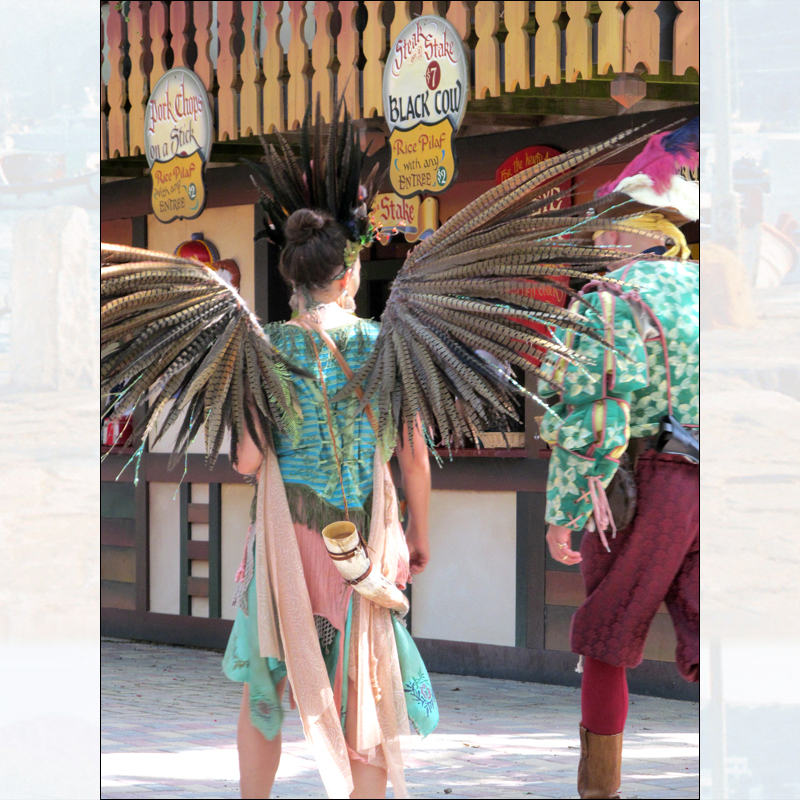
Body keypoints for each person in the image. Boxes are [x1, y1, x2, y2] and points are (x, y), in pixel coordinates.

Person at [223, 209, 432, 799]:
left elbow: (246, 459)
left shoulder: (265, 348)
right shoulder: (388, 347)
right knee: (364, 683)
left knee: (265, 686)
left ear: (296, 282)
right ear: (348, 277)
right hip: (362, 542)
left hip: (287, 542)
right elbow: (413, 456)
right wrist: (420, 533)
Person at [538, 189, 699, 795]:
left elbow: (593, 417)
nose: (600, 246)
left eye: (606, 233)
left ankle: (600, 790)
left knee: (607, 635)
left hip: (642, 491)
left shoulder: (609, 303)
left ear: (632, 235)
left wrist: (564, 511)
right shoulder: (726, 296)